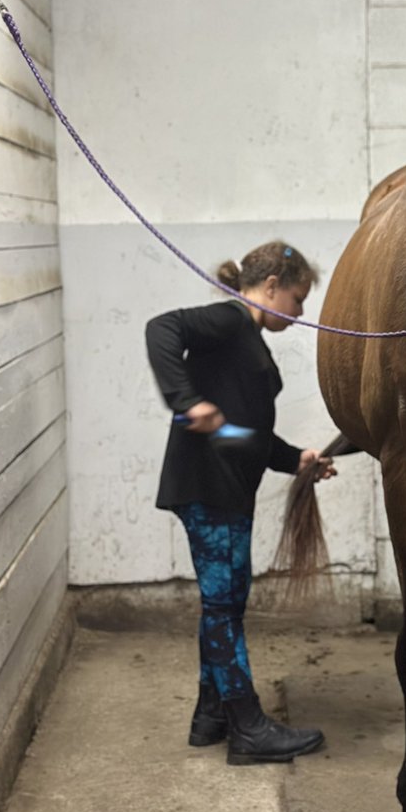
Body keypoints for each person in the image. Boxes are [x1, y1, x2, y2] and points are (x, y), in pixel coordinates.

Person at [145, 240, 336, 766]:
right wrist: (186, 403)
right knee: (224, 605)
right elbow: (161, 328)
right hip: (208, 487)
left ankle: (211, 716)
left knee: (224, 603)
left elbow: (248, 434)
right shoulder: (230, 321)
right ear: (270, 286)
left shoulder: (245, 337)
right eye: (297, 300)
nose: (299, 314)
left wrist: (299, 458)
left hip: (225, 487)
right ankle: (247, 727)